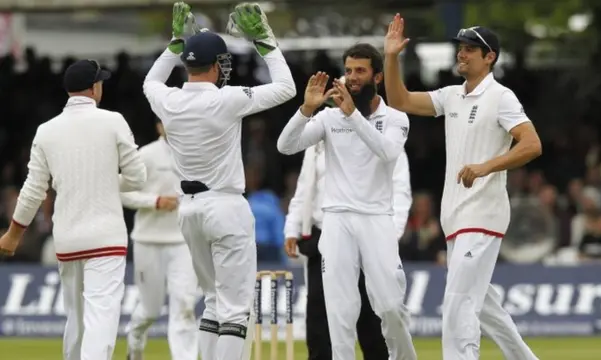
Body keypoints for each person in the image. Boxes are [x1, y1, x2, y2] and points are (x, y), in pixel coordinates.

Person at [142, 3, 296, 360]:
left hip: (189, 212)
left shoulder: (168, 100)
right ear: (214, 67)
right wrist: (265, 40)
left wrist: (175, 43)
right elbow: (286, 88)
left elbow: (149, 80)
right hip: (225, 207)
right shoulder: (227, 99)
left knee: (212, 303)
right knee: (236, 308)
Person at [383, 14, 542, 360]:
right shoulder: (451, 96)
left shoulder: (501, 97)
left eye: (471, 49)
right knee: (485, 308)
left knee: (457, 303)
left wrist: (486, 166)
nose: (462, 54)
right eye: (461, 48)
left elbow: (531, 144)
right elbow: (400, 101)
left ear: (490, 57)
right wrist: (391, 56)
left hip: (483, 215)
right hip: (454, 217)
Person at [277, 43, 417, 360]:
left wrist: (352, 115)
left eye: (360, 71)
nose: (352, 78)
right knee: (340, 312)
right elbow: (286, 146)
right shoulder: (328, 118)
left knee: (390, 307)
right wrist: (306, 110)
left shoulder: (396, 119)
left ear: (377, 76)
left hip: (376, 219)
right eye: (349, 70)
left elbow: (387, 152)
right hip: (336, 220)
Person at [0, 59, 146, 360]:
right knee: (100, 321)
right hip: (106, 238)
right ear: (94, 88)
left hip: (67, 239)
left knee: (76, 322)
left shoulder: (46, 131)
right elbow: (137, 178)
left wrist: (13, 234)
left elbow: (32, 190)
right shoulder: (113, 121)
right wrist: (102, 179)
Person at [283, 129, 412, 359]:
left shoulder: (383, 132)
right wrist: (293, 226)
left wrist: (388, 237)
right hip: (324, 236)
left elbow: (400, 191)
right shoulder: (321, 133)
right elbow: (305, 186)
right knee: (319, 319)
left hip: (370, 237)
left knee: (372, 320)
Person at [122, 119, 200, 360]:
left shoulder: (196, 155)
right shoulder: (146, 155)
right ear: (158, 126)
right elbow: (123, 192)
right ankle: (135, 342)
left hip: (183, 241)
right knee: (150, 309)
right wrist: (155, 201)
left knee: (185, 306)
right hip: (148, 240)